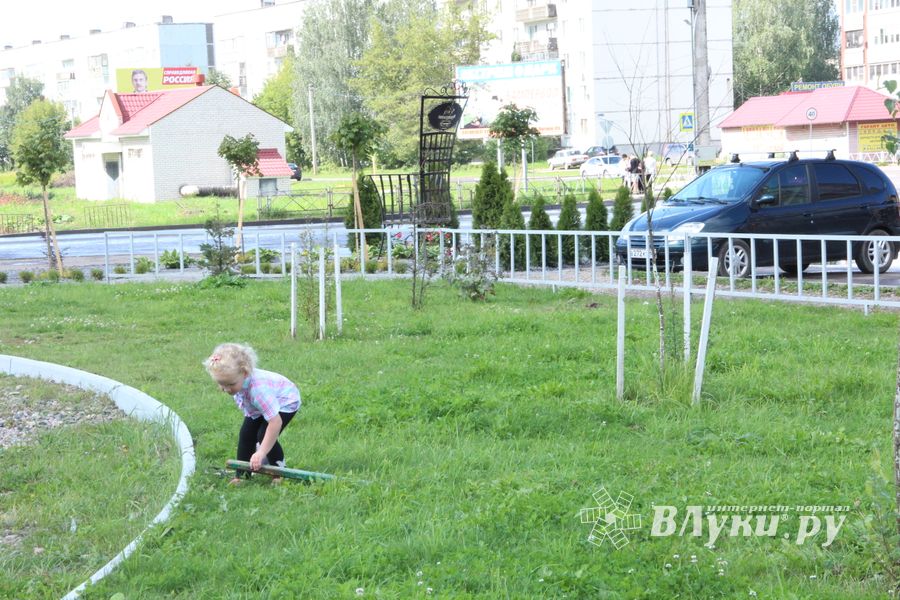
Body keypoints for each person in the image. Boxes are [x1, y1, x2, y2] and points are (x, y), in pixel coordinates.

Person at [204, 343, 301, 485]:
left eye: (230, 384)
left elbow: (275, 422)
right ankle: (242, 476)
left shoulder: (258, 390)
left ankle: (279, 473)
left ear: (245, 373)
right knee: (246, 434)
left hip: (285, 402)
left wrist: (261, 452)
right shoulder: (237, 379)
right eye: (221, 384)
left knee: (263, 435)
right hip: (261, 405)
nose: (226, 389)